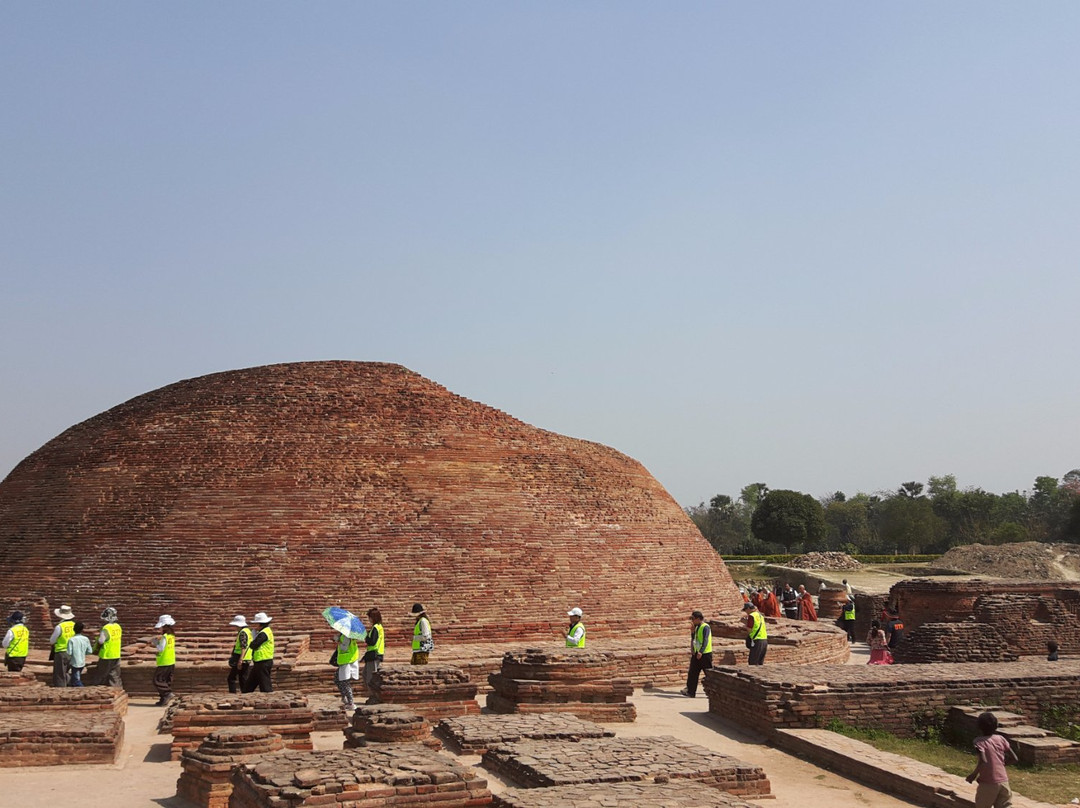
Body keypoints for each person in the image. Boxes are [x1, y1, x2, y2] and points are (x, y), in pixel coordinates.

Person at [966, 711, 1018, 808]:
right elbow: (1014, 758)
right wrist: (1000, 764)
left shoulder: (979, 742)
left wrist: (973, 775)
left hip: (988, 783)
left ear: (979, 727)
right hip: (1003, 781)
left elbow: (983, 760)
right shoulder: (1001, 739)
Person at [680, 610, 712, 697]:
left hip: (705, 654)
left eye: (693, 619)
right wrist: (692, 632)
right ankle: (690, 691)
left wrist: (701, 651)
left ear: (698, 618)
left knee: (708, 673)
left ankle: (714, 691)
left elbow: (705, 640)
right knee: (693, 673)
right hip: (696, 653)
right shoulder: (697, 627)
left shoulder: (706, 627)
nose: (692, 621)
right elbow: (695, 639)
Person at [92, 607, 123, 687]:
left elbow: (101, 641)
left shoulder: (106, 628)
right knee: (114, 675)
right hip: (116, 653)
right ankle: (117, 690)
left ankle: (97, 690)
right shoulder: (118, 626)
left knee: (101, 674)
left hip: (106, 654)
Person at [243, 612, 274, 692]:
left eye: (256, 624)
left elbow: (254, 645)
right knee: (249, 685)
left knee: (265, 686)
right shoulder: (265, 631)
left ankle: (268, 701)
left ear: (261, 624)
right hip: (259, 661)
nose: (254, 626)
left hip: (263, 661)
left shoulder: (263, 633)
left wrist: (253, 638)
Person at [49, 605, 77, 687]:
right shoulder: (74, 625)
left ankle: (60, 688)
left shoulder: (60, 626)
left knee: (60, 672)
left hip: (61, 651)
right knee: (67, 671)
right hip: (72, 651)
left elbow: (52, 640)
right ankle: (69, 684)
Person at [152, 614, 176, 706]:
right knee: (166, 680)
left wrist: (155, 642)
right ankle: (163, 699)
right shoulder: (171, 636)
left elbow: (160, 648)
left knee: (157, 680)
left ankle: (167, 694)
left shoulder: (165, 637)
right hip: (171, 661)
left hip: (164, 661)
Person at [334, 628, 360, 710]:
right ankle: (345, 698)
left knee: (345, 682)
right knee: (337, 679)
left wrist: (338, 641)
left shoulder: (346, 636)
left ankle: (351, 702)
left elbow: (344, 648)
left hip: (347, 661)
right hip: (346, 660)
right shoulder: (344, 635)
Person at [227, 615, 252, 693]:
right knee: (243, 678)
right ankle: (245, 693)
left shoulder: (243, 633)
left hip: (240, 657)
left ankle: (233, 693)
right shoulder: (248, 631)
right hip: (247, 657)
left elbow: (243, 647)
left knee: (231, 678)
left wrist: (240, 660)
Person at [363, 608, 384, 691]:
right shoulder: (378, 627)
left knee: (370, 677)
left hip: (374, 654)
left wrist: (366, 637)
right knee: (365, 674)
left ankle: (373, 695)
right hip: (373, 654)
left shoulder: (376, 628)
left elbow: (372, 642)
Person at [66, 621, 93, 686]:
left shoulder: (71, 640)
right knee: (75, 678)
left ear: (73, 629)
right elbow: (90, 651)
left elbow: (69, 653)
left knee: (76, 680)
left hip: (74, 662)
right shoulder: (85, 639)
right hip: (82, 662)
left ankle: (83, 690)